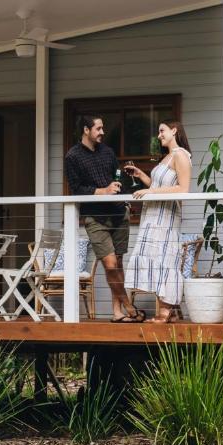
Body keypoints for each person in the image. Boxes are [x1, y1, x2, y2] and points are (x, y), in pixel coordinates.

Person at [64, 115, 144, 323]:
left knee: (118, 263)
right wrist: (103, 191)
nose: (102, 132)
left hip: (118, 213)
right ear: (86, 130)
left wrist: (125, 198)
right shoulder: (72, 156)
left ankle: (117, 313)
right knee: (109, 264)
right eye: (98, 128)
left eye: (102, 128)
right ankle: (129, 306)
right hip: (95, 217)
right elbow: (76, 189)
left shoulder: (107, 152)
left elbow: (116, 178)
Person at [124, 120, 192, 323]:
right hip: (153, 215)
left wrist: (150, 191)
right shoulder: (167, 157)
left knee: (165, 258)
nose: (159, 135)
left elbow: (183, 189)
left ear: (174, 130)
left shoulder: (180, 155)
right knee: (155, 255)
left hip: (167, 215)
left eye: (162, 131)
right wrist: (142, 176)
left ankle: (166, 311)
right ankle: (164, 309)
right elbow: (159, 185)